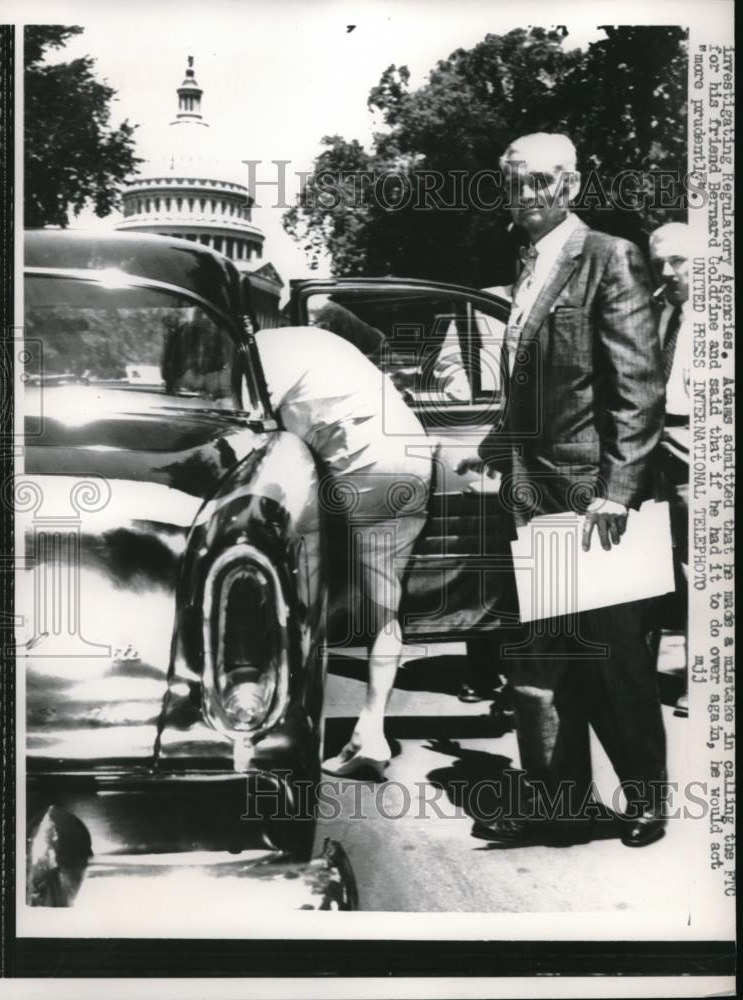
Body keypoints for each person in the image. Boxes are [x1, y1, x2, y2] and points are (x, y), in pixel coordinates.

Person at [461, 133, 668, 848]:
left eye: (540, 183)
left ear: (572, 184)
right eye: (514, 183)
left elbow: (635, 385)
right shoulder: (526, 263)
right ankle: (561, 802)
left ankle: (645, 797)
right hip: (534, 490)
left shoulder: (608, 257)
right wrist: (495, 451)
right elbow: (529, 385)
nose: (524, 196)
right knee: (548, 657)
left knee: (610, 656)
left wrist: (618, 487)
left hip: (589, 495)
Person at [255, 326, 433, 778]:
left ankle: (285, 730)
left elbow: (255, 429)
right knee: (384, 609)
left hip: (361, 467)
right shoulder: (321, 341)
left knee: (303, 598)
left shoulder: (258, 354)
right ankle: (370, 731)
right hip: (413, 459)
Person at [649, 223, 691, 718]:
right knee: (661, 567)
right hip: (656, 446)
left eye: (678, 260)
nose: (667, 271)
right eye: (660, 261)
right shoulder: (662, 311)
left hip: (697, 446)